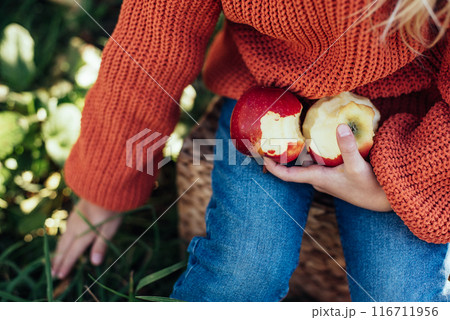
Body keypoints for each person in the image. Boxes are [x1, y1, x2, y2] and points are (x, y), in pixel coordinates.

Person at [51, 0, 450, 301]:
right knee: (243, 268)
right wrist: (107, 179)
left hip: (411, 126)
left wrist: (411, 182)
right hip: (264, 101)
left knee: (401, 294)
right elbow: (153, 43)